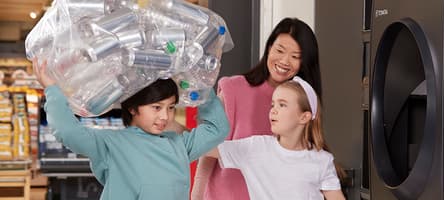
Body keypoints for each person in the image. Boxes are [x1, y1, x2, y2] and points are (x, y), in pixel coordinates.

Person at [33, 59, 230, 200]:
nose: (165, 116)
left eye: (171, 107)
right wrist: (52, 91)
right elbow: (68, 132)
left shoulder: (179, 144)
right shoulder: (110, 144)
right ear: (133, 108)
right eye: (156, 107)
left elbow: (217, 129)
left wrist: (202, 88)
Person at [191, 17, 324, 200]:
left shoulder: (304, 105)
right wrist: (196, 196)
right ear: (269, 48)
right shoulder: (234, 89)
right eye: (280, 50)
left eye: (295, 57)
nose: (285, 61)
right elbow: (207, 152)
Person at [206, 76, 346, 200]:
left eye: (282, 105)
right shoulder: (255, 148)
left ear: (304, 117)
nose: (273, 110)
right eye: (273, 104)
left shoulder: (322, 160)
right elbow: (202, 147)